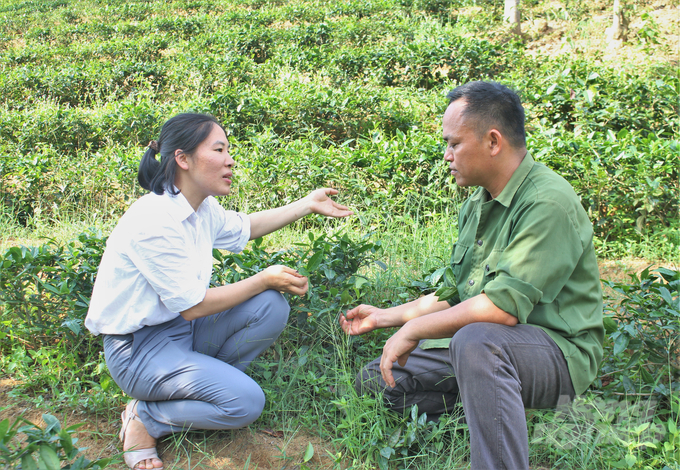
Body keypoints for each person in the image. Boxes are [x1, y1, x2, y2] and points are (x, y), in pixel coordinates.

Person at [340, 81, 603, 470]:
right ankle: (493, 413)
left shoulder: (547, 203)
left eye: (454, 144)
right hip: (490, 346)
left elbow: (501, 310)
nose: (447, 156)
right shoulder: (479, 202)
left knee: (477, 341)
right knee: (379, 382)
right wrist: (386, 317)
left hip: (557, 353)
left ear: (493, 141)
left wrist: (414, 331)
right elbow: (456, 293)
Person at [85, 113, 352, 470]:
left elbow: (246, 228)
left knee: (270, 305)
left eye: (229, 150)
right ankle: (145, 418)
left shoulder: (200, 207)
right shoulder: (153, 220)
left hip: (179, 332)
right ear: (183, 159)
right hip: (137, 350)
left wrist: (306, 204)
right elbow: (194, 306)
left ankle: (201, 388)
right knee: (245, 403)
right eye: (219, 149)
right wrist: (262, 278)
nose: (230, 160)